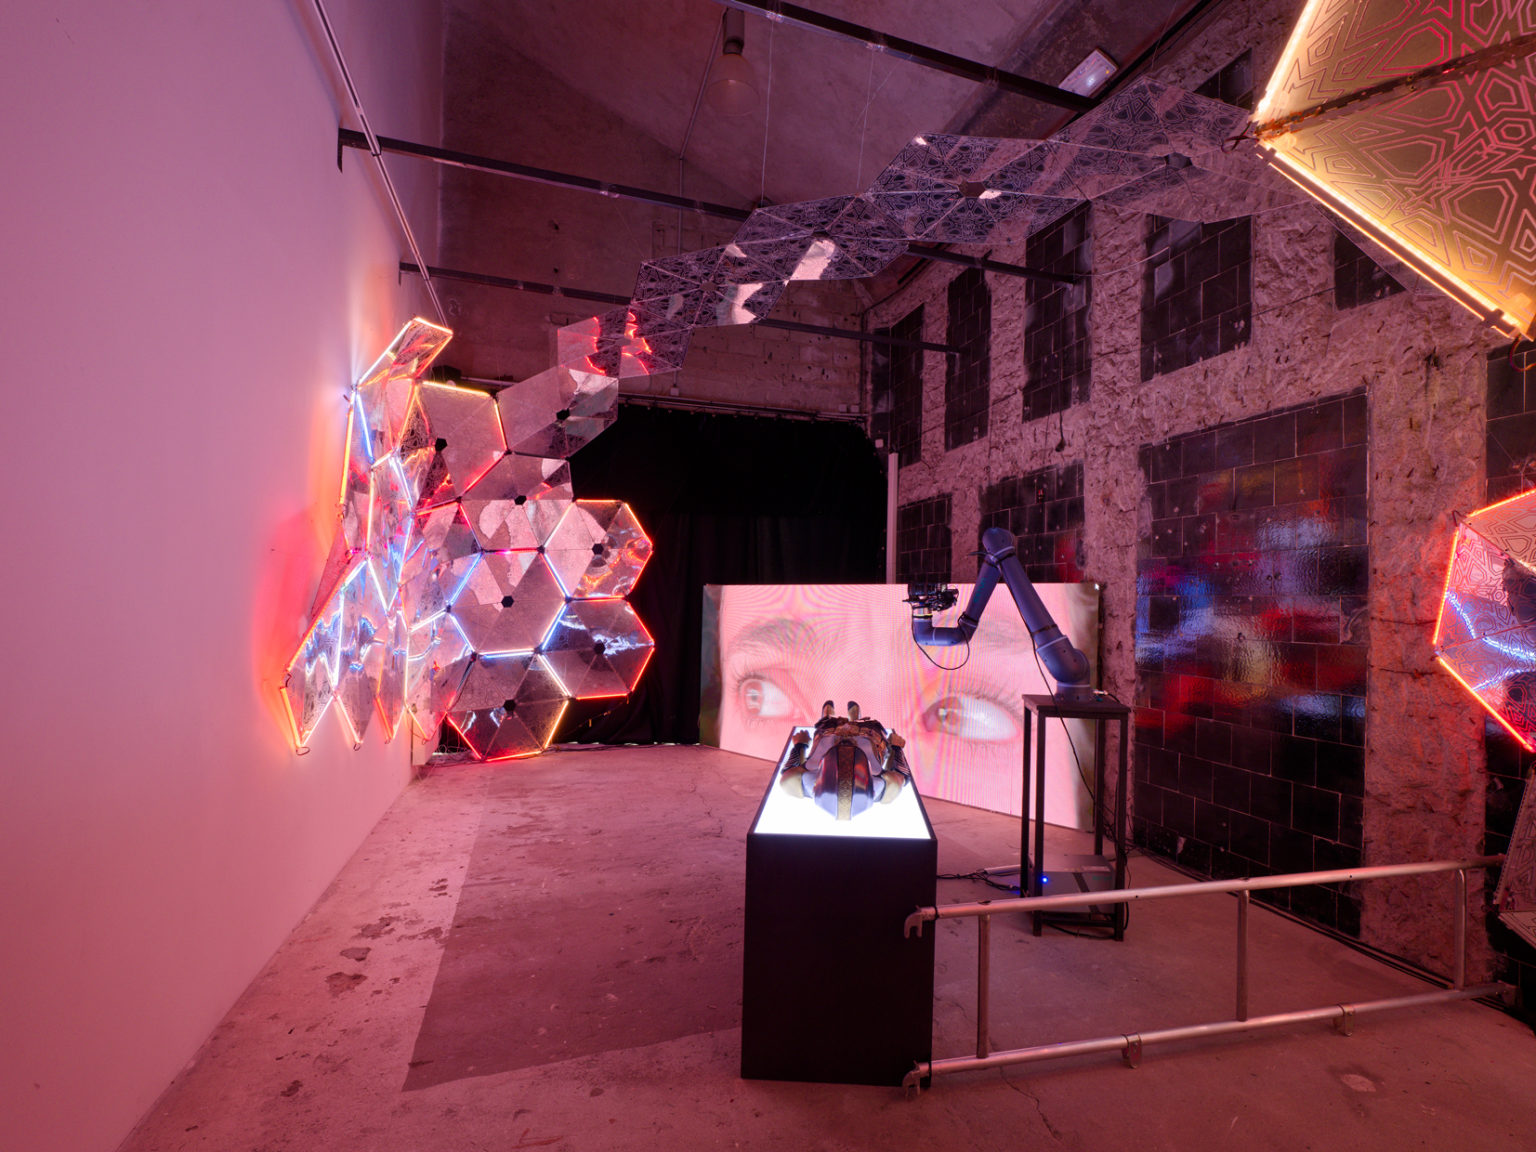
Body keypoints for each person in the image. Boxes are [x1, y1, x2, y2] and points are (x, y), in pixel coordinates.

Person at [716, 583, 1098, 827]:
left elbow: (793, 775)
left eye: (955, 713)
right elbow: (895, 774)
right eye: (764, 691)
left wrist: (802, 744)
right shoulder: (870, 782)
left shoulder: (808, 778)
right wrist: (895, 749)